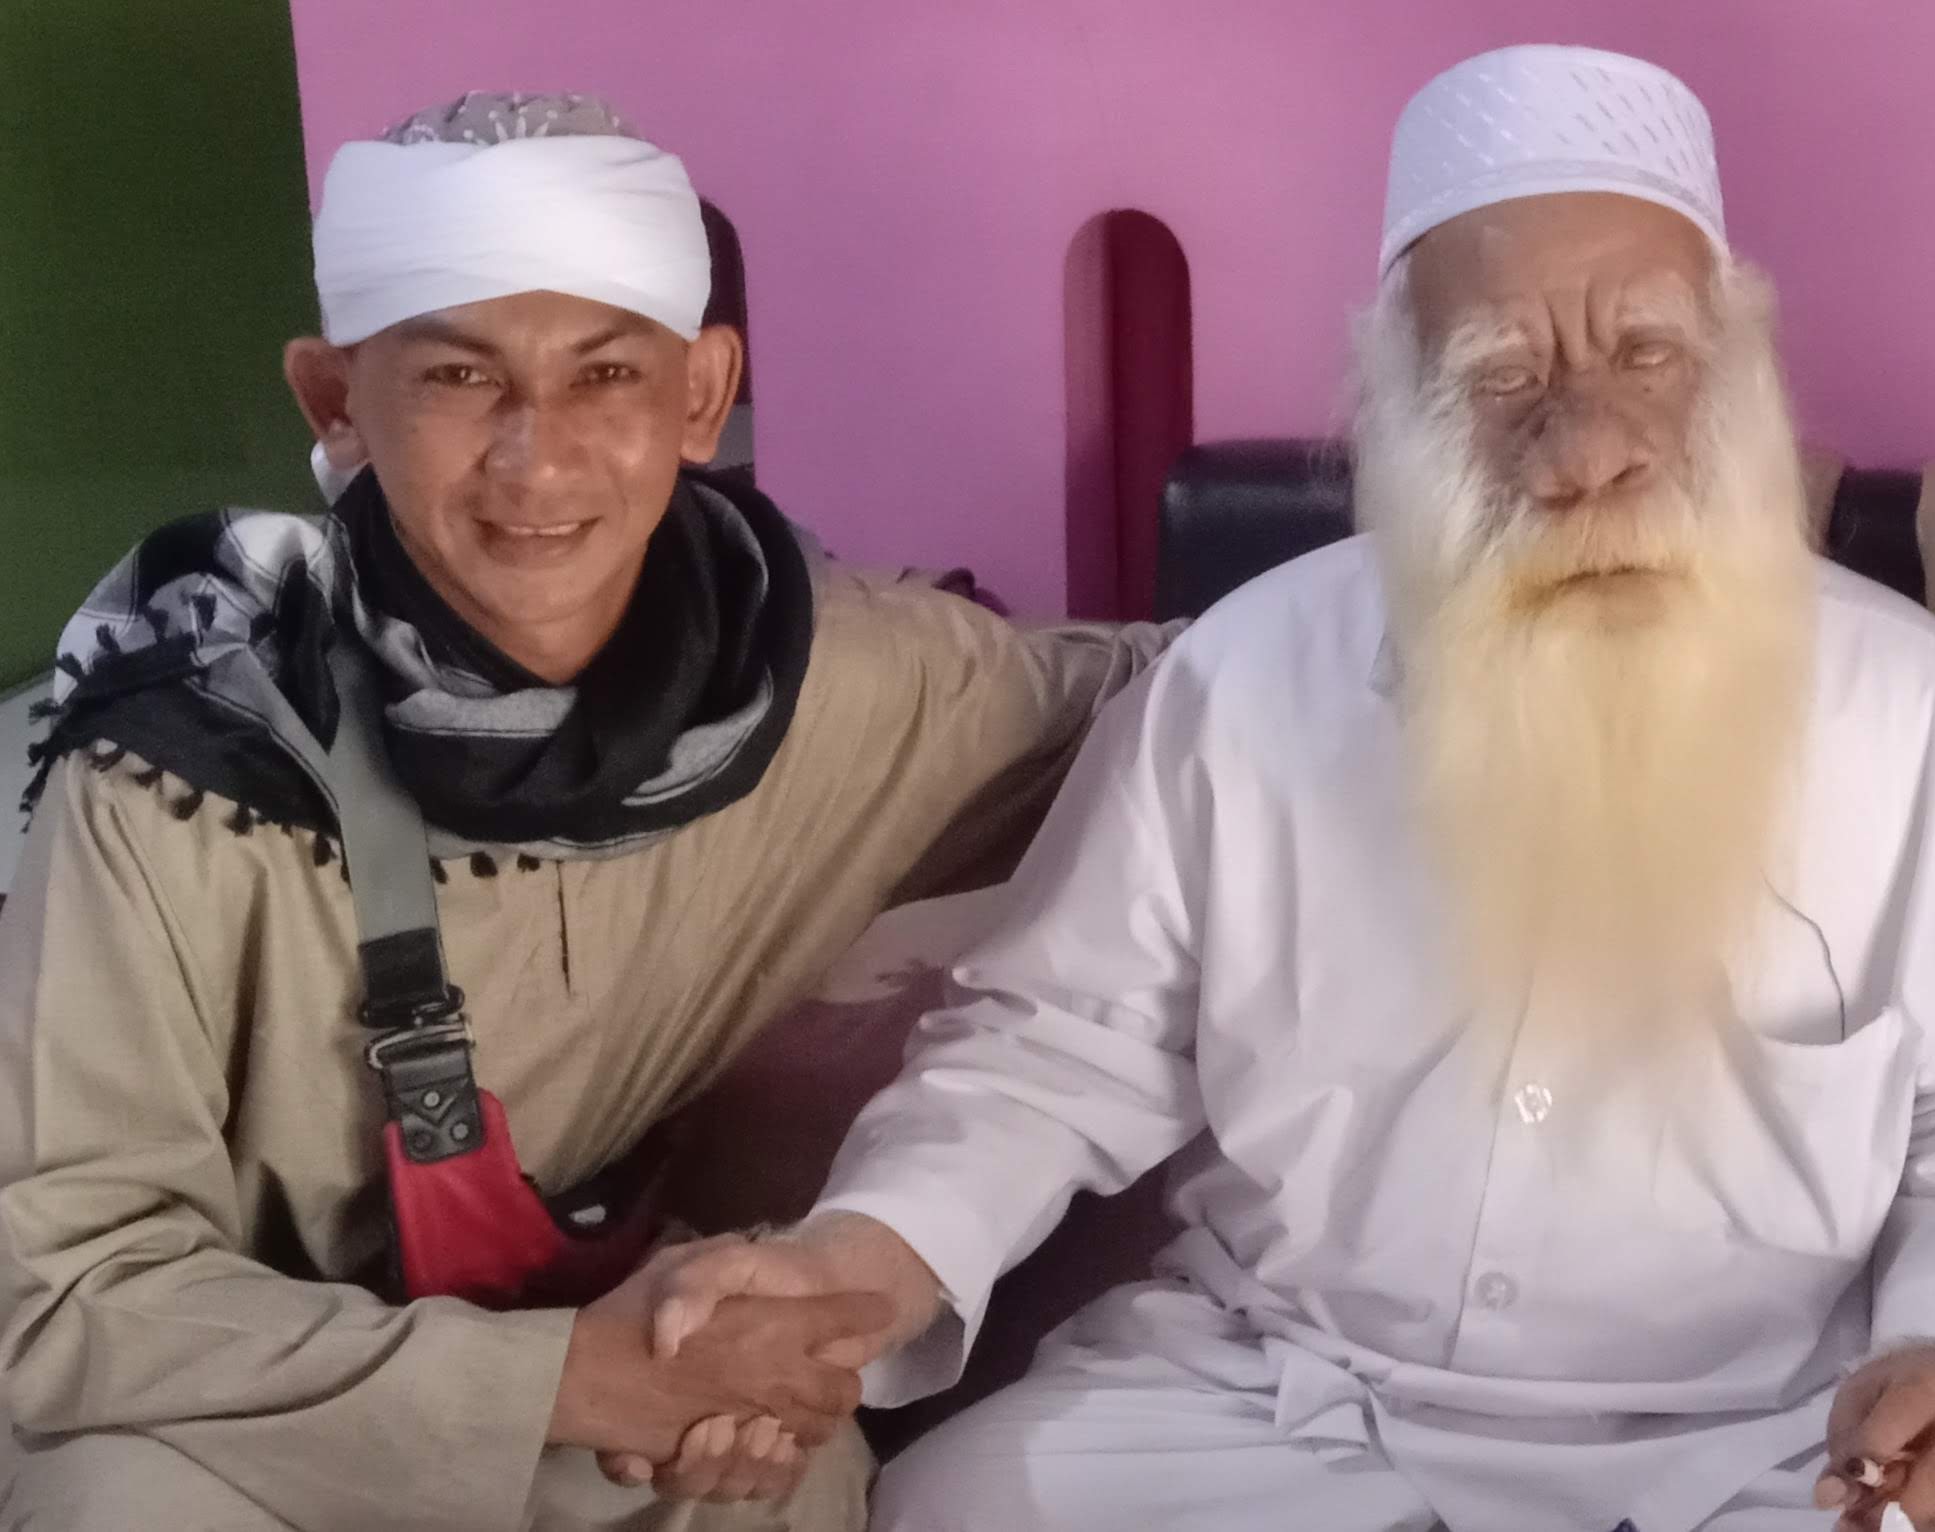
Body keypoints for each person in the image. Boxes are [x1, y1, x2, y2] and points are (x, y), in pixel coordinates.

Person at [642, 46, 1935, 1532]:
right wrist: (866, 1255)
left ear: (1736, 365)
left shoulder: (1917, 717)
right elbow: (1053, 1047)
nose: (1586, 450)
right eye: (1505, 379)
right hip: (1286, 1398)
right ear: (1400, 403)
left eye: (1644, 355)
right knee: (955, 1510)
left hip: (1769, 1438)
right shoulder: (1241, 680)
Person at [0, 92, 1164, 1531]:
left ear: (703, 393)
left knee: (781, 1478)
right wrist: (565, 1381)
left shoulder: (832, 685)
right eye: (457, 376)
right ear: (335, 403)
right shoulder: (183, 763)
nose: (535, 459)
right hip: (235, 1413)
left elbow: (1196, 692)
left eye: (606, 373)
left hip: (604, 1355)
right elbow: (65, 1289)